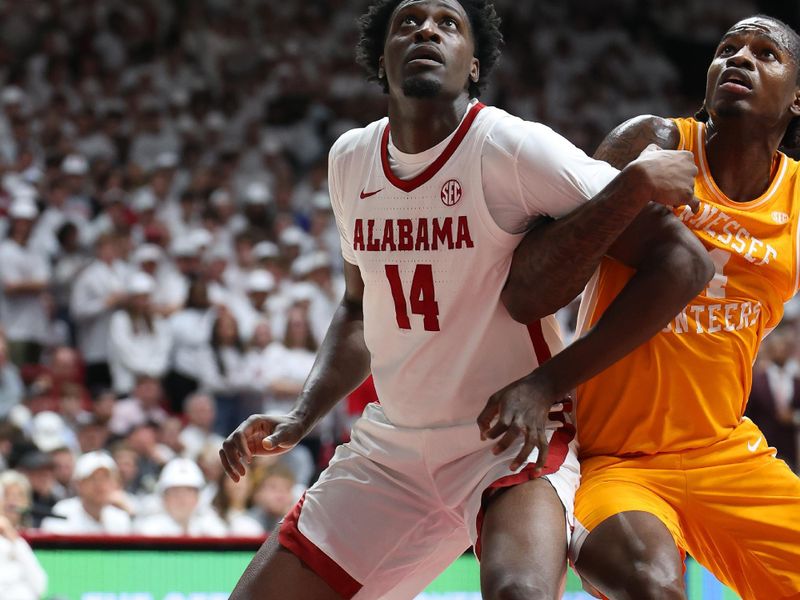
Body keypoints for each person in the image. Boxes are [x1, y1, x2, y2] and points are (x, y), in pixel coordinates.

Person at [219, 1, 709, 598]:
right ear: (381, 57)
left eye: (448, 22)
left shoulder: (510, 145)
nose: (427, 29)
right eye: (409, 21)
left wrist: (548, 383)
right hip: (391, 447)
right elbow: (357, 308)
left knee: (518, 593)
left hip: (507, 441)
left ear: (474, 65)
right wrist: (302, 414)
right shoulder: (350, 158)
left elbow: (684, 261)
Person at [505, 15, 800, 600]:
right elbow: (550, 272)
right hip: (616, 461)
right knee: (651, 585)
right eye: (727, 49)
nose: (739, 59)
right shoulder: (654, 143)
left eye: (766, 54)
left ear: (798, 97)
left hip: (724, 451)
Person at [747, 323, 800, 471]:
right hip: (763, 447)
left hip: (792, 449)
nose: (781, 349)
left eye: (785, 345)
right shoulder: (757, 380)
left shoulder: (797, 379)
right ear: (770, 348)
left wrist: (794, 417)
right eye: (777, 345)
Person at [41, 450, 132, 535]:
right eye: (93, 478)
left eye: (106, 478)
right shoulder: (61, 513)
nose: (100, 485)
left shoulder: (120, 518)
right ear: (79, 484)